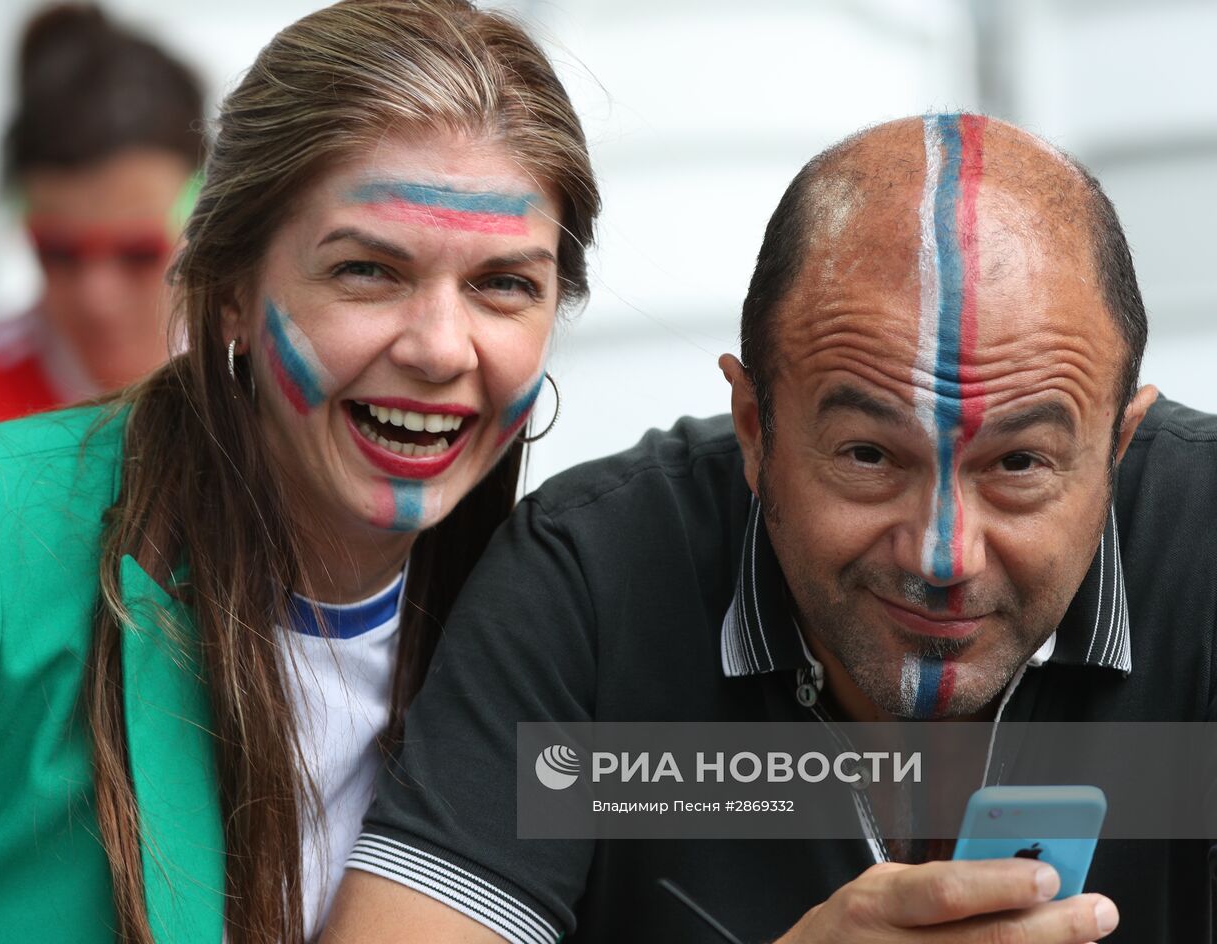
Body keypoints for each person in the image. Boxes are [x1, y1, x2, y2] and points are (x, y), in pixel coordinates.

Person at [325, 115, 1215, 943]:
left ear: (1119, 445)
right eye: (868, 455)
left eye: (1019, 465)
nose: (943, 554)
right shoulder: (594, 579)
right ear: (756, 429)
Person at [0, 1, 598, 942]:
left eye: (504, 285)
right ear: (230, 290)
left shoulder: (563, 625)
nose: (440, 348)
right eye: (366, 272)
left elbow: (793, 794)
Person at [0, 3, 205, 444]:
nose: (97, 296)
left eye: (137, 252)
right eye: (58, 253)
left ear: (204, 212)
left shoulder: (251, 382)